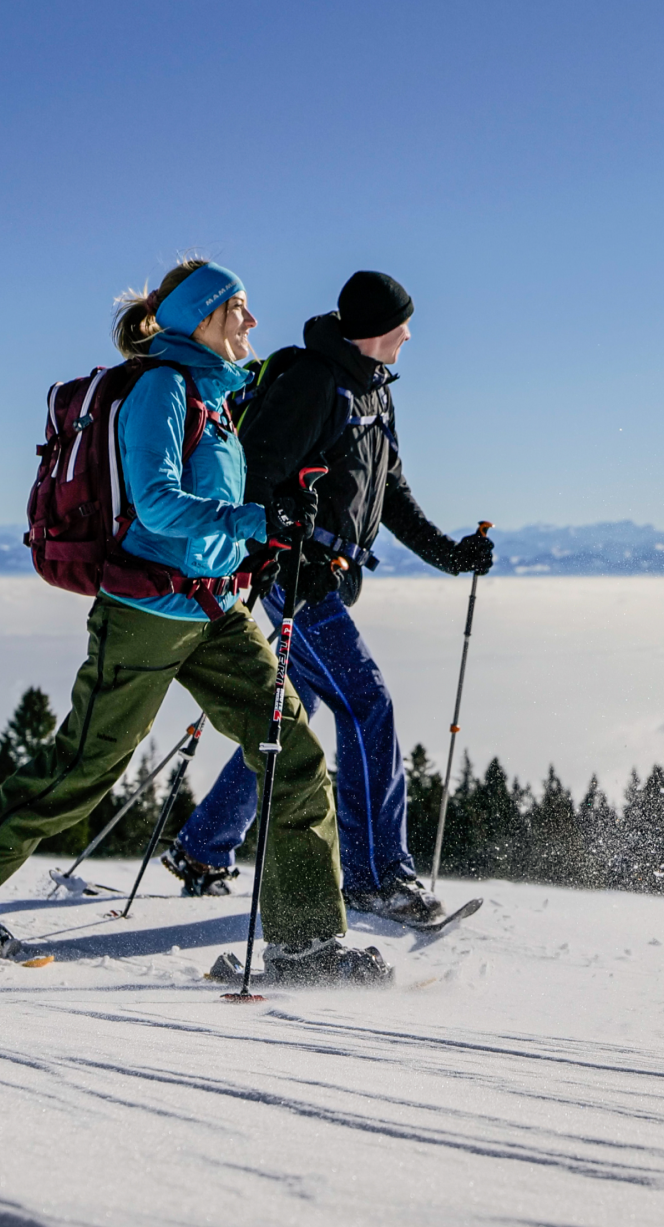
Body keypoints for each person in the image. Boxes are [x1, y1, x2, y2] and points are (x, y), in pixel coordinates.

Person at [0, 259, 389, 983]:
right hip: (146, 613)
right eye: (238, 307)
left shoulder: (215, 395)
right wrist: (253, 518)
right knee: (86, 766)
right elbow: (157, 502)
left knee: (292, 757)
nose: (252, 320)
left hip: (218, 610)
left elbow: (218, 510)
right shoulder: (162, 388)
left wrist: (273, 523)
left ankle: (307, 946)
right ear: (202, 316)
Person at [162, 271, 494, 925]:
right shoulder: (314, 382)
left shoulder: (375, 391)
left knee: (292, 712)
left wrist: (449, 555)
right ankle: (375, 878)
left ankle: (203, 848)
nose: (409, 334)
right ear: (375, 328)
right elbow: (255, 475)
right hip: (296, 581)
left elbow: (390, 493)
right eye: (401, 323)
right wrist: (290, 552)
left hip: (331, 577)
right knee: (367, 704)